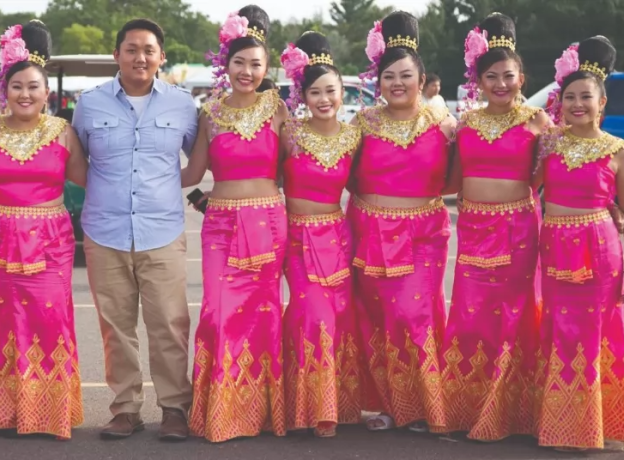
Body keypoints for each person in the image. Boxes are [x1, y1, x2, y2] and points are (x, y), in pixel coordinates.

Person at [73, 17, 198, 441]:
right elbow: (78, 162)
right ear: (117, 55)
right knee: (116, 326)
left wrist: (162, 186)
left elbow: (196, 163)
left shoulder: (183, 105)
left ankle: (175, 409)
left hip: (162, 230)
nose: (140, 57)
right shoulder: (89, 104)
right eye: (131, 49)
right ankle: (125, 409)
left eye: (148, 50)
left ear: (162, 56)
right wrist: (114, 188)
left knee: (169, 323)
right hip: (104, 231)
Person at [0, 20, 88, 440]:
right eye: (17, 86)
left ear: (47, 94)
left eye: (33, 87)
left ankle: (46, 411)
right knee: (0, 317)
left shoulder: (62, 132)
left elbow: (87, 181)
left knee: (47, 316)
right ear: (5, 90)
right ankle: (1, 410)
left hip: (51, 239)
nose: (25, 94)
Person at [439, 13, 550, 442]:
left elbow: (548, 177)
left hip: (519, 228)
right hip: (473, 227)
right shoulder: (465, 123)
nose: (500, 84)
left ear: (522, 76)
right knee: (470, 319)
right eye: (491, 77)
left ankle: (512, 413)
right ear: (478, 81)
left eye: (508, 75)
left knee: (514, 318)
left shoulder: (540, 122)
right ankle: (469, 409)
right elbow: (452, 179)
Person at [181, 5, 289, 443]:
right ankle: (221, 411)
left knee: (263, 316)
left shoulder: (280, 110)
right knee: (219, 312)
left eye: (255, 64)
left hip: (268, 223)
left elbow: (297, 170)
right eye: (239, 63)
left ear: (267, 68)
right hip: (221, 226)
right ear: (225, 65)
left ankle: (263, 412)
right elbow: (191, 174)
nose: (247, 71)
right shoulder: (210, 113)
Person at [350, 11, 457, 433]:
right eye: (389, 76)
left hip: (424, 233)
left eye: (406, 75)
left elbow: (469, 173)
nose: (397, 83)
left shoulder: (445, 125)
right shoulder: (362, 124)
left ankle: (426, 403)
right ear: (378, 84)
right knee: (377, 318)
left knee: (414, 317)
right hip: (369, 229)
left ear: (422, 78)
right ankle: (390, 404)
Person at [534, 36, 624, 452]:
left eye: (586, 97)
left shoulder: (619, 152)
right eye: (570, 97)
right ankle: (559, 422)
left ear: (602, 103)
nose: (578, 104)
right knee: (560, 332)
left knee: (592, 336)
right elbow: (526, 187)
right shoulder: (549, 143)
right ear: (560, 103)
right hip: (554, 246)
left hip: (599, 251)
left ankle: (588, 429)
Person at [277, 31, 365, 438]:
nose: (324, 98)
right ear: (304, 96)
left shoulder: (354, 137)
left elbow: (367, 184)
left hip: (336, 235)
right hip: (295, 237)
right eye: (315, 92)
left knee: (337, 318)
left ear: (342, 93)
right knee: (311, 315)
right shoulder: (289, 134)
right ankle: (309, 405)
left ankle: (335, 405)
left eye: (331, 90)